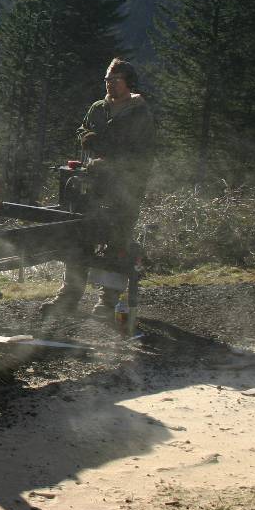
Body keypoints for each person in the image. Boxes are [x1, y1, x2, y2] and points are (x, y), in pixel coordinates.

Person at [41, 58, 156, 318]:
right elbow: (83, 127)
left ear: (128, 83)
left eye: (114, 80)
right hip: (92, 185)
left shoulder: (139, 113)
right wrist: (86, 137)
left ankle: (107, 302)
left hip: (124, 188)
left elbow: (139, 152)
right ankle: (69, 296)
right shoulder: (98, 108)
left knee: (116, 243)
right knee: (78, 238)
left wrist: (111, 162)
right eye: (106, 80)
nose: (109, 84)